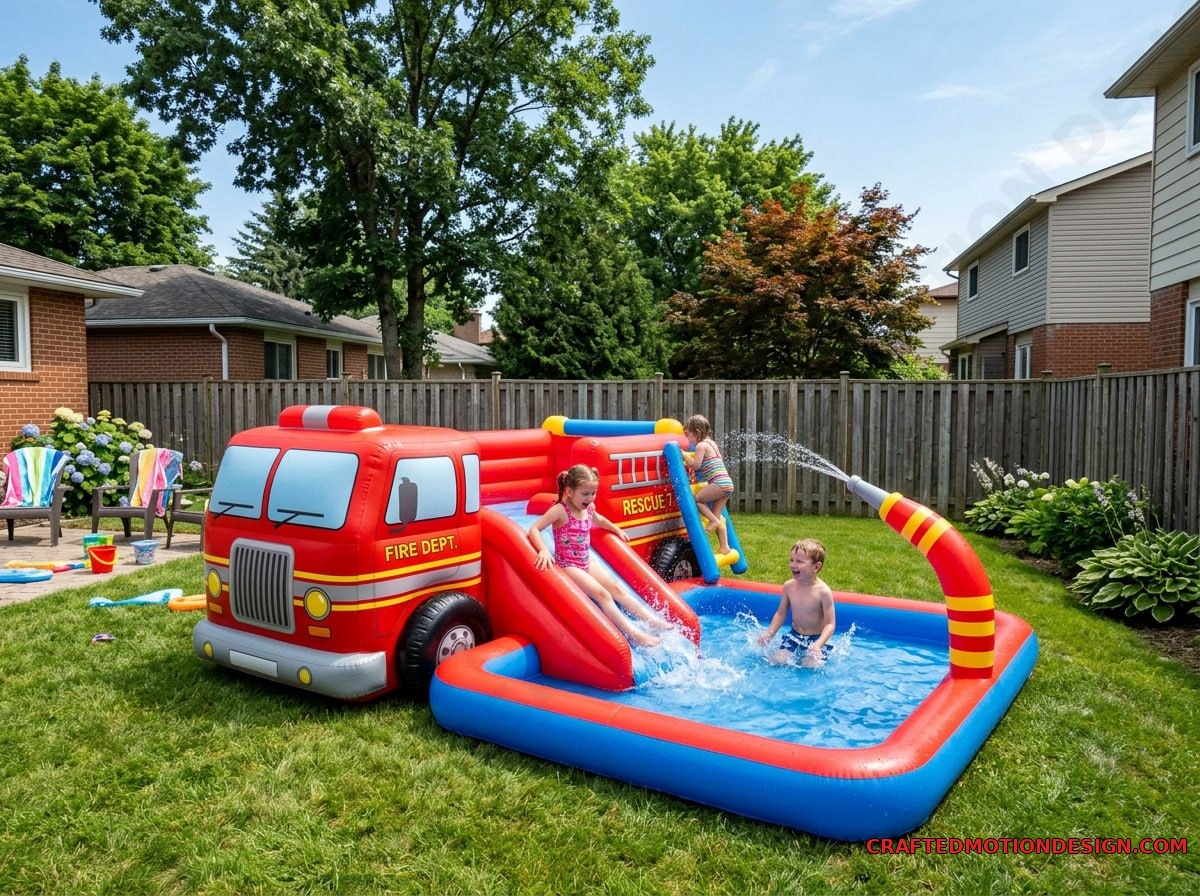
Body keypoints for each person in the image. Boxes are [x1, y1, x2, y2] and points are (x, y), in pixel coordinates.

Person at [529, 464, 668, 647]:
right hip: (569, 564)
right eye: (585, 494)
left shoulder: (589, 508)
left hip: (586, 560)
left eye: (593, 493)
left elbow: (598, 519)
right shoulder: (560, 511)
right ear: (570, 491)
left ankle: (652, 621)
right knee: (603, 595)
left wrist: (615, 528)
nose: (590, 498)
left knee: (617, 589)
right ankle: (634, 634)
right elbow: (535, 529)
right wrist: (543, 550)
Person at [758, 538, 836, 667]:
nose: (793, 565)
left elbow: (830, 624)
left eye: (799, 561)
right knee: (777, 660)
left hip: (817, 639)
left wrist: (818, 645)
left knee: (810, 665)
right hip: (794, 636)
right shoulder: (789, 586)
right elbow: (781, 613)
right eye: (791, 560)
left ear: (816, 567)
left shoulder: (823, 592)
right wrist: (770, 633)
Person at [682, 414, 735, 554]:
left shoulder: (701, 445)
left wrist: (685, 455)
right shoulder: (712, 443)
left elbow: (696, 465)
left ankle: (713, 521)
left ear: (697, 433)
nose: (689, 440)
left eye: (690, 436)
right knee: (716, 514)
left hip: (718, 483)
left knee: (698, 499)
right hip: (727, 483)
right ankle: (725, 546)